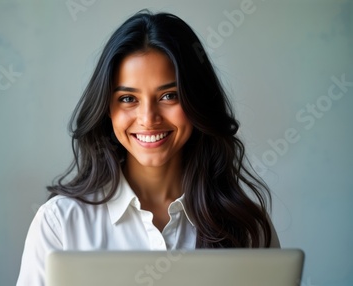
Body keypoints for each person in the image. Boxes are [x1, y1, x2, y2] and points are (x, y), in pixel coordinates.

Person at [16, 9, 280, 286]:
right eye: (128, 98)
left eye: (169, 95)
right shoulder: (60, 223)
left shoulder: (245, 225)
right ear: (107, 110)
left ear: (197, 102)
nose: (148, 119)